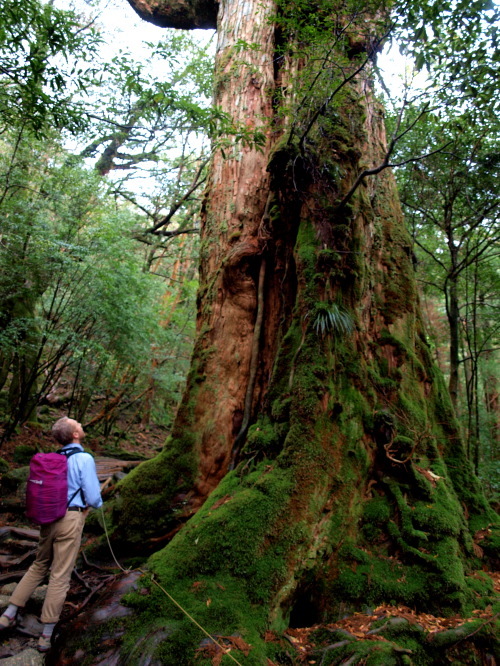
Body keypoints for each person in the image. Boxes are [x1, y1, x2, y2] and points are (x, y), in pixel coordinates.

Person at [0, 417, 102, 652]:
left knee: (39, 565)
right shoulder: (83, 458)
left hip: (48, 519)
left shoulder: (55, 458)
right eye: (79, 425)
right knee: (60, 575)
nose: (82, 427)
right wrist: (96, 503)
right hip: (71, 518)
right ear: (75, 435)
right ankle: (46, 634)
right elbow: (94, 497)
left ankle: (9, 613)